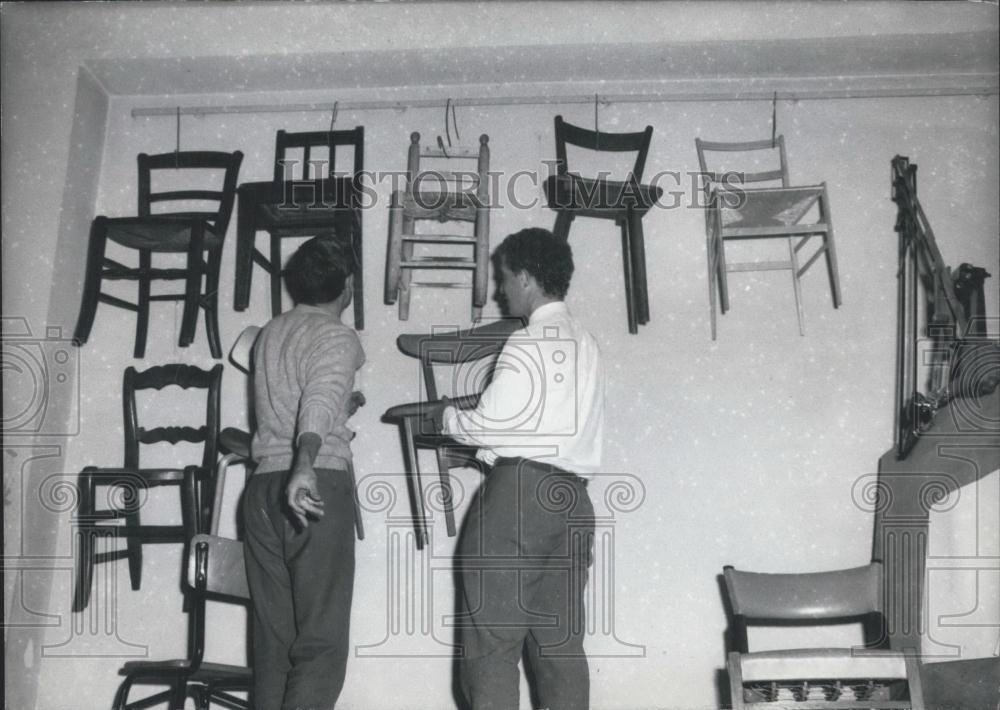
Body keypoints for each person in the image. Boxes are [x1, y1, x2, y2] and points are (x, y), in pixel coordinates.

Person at [438, 227, 605, 710]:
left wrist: (446, 416)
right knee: (561, 652)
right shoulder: (588, 344)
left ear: (528, 279)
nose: (499, 290)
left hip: (519, 500)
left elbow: (488, 425)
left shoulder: (528, 341)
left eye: (505, 278)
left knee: (490, 651)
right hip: (573, 503)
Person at [243, 236, 365, 710]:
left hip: (260, 491)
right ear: (347, 287)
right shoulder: (337, 335)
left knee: (274, 646)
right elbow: (315, 402)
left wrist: (341, 407)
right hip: (312, 487)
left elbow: (304, 398)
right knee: (320, 645)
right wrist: (306, 464)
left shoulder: (272, 331)